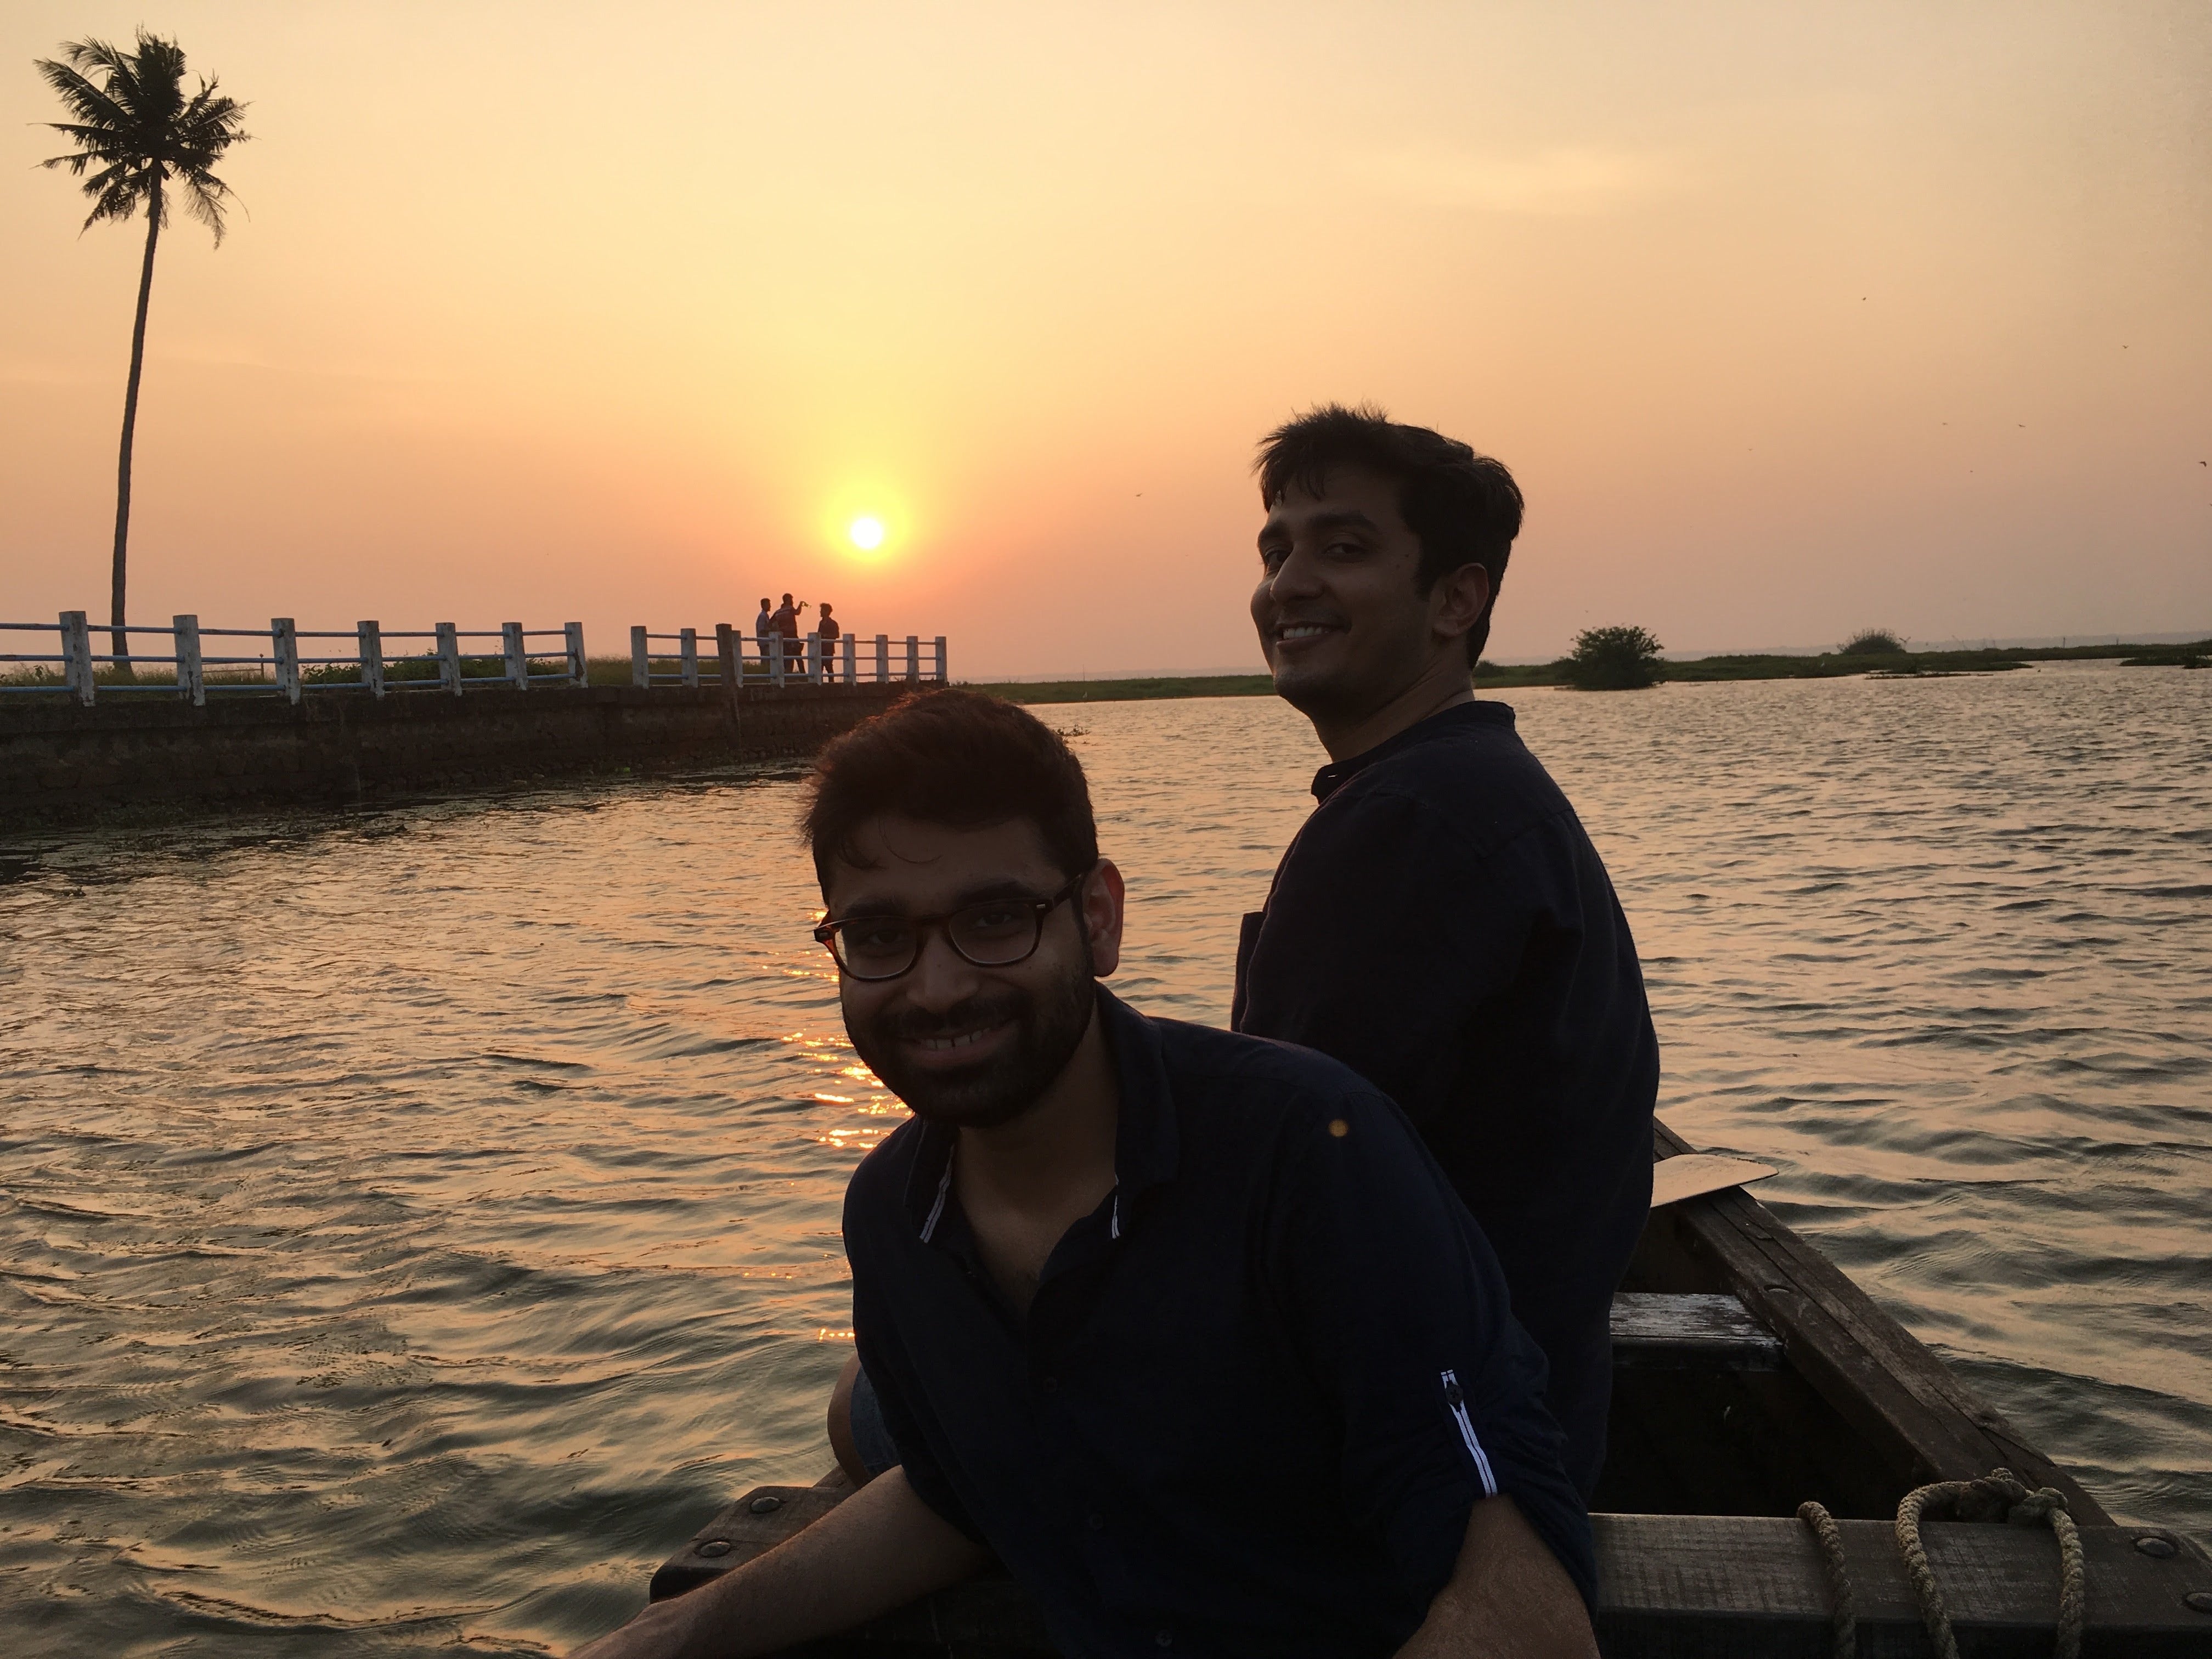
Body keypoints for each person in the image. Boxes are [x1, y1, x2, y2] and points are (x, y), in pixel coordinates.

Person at [574, 690, 1597, 1659]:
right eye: (881, 934)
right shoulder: (895, 1216)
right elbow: (954, 1496)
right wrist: (667, 1636)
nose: (936, 987)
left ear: (1097, 917)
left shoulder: (1307, 1158)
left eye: (994, 918)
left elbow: (1520, 1602)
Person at [1232, 404, 1659, 1500]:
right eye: (1278, 547)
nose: (1290, 580)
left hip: (1427, 1455)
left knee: (885, 1413)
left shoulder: (1413, 822)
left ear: (1455, 601)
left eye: (1344, 546)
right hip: (1517, 1409)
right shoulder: (1466, 789)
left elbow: (1274, 1208)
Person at [817, 602, 842, 682]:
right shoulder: (821, 623)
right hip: (821, 648)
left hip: (829, 648)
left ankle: (832, 684)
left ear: (827, 611)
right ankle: (820, 684)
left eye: (822, 610)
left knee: (829, 667)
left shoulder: (833, 623)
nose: (820, 612)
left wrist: (825, 636)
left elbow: (837, 635)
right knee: (819, 667)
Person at [752, 599, 772, 682]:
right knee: (766, 660)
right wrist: (771, 630)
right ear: (763, 605)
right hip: (765, 642)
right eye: (768, 604)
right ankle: (764, 677)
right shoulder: (763, 616)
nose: (770, 606)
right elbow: (761, 629)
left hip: (765, 642)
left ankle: (765, 677)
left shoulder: (765, 616)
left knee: (767, 660)